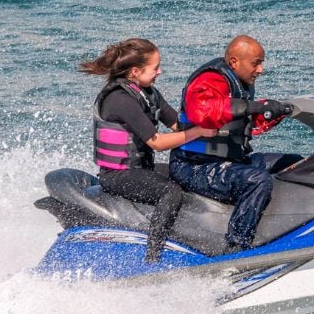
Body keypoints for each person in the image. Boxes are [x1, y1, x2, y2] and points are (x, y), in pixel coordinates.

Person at [80, 38, 217, 262]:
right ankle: (153, 254)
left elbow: (177, 125)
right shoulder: (119, 99)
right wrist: (196, 133)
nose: (160, 72)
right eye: (155, 68)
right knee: (170, 191)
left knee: (187, 173)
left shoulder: (149, 93)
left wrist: (216, 123)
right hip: (117, 174)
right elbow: (157, 142)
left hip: (143, 169)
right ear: (135, 71)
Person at [169, 35, 297, 252]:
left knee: (292, 163)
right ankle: (236, 246)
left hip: (230, 160)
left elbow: (247, 123)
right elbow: (203, 112)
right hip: (194, 167)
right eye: (256, 63)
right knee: (257, 180)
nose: (261, 70)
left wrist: (276, 111)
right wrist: (253, 107)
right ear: (234, 62)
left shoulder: (241, 83)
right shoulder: (210, 79)